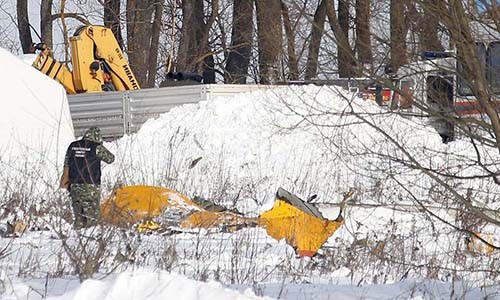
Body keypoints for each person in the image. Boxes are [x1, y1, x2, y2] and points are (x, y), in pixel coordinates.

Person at [60, 127, 115, 229]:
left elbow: (66, 164)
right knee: (92, 218)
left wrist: (64, 181)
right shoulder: (96, 147)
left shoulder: (72, 146)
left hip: (74, 186)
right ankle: (91, 240)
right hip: (91, 186)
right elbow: (111, 159)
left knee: (78, 217)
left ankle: (77, 239)